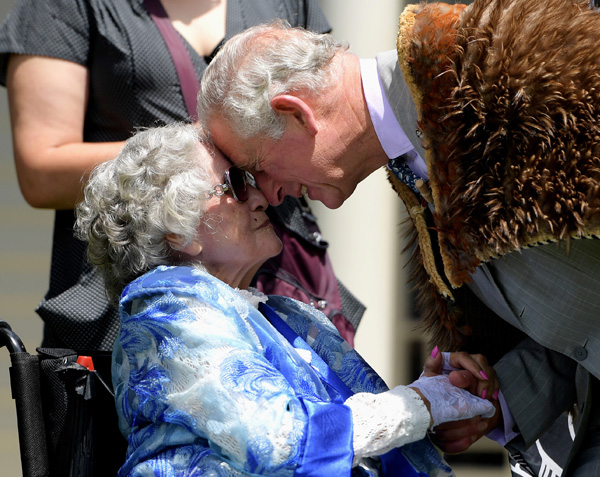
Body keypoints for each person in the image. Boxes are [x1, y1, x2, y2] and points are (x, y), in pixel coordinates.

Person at [196, 0, 600, 474]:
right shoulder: (415, 159)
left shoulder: (499, 62)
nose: (269, 195)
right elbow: (589, 312)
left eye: (255, 170)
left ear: (295, 113)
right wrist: (495, 395)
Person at [0, 1, 362, 472]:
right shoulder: (69, 7)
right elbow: (40, 169)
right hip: (143, 289)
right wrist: (192, 160)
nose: (253, 189)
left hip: (281, 277)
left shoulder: (284, 3)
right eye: (235, 178)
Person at [73, 121, 497, 476]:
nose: (261, 197)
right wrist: (419, 405)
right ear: (177, 230)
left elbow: (363, 432)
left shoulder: (286, 314)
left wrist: (445, 394)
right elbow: (279, 439)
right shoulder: (167, 309)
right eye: (235, 184)